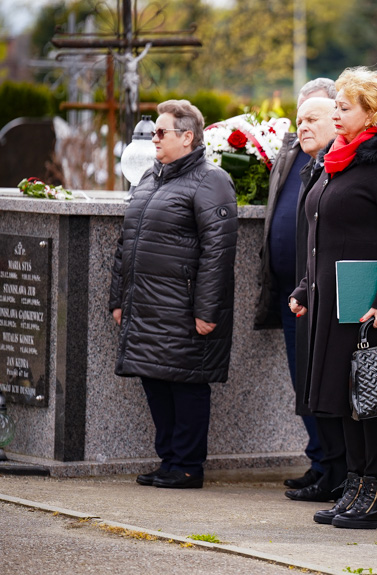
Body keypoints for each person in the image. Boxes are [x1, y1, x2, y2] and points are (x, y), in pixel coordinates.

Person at [288, 67, 377, 531]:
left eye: (345, 107)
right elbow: (320, 236)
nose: (337, 115)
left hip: (372, 310)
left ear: (372, 111)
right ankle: (356, 488)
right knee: (345, 401)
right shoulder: (336, 160)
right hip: (333, 305)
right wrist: (306, 287)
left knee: (374, 402)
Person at [109, 99, 238, 489]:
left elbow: (219, 252)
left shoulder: (211, 180)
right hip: (146, 305)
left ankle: (187, 465)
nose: (154, 139)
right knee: (156, 380)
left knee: (186, 384)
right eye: (152, 133)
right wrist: (118, 298)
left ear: (188, 136)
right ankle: (168, 460)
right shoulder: (150, 178)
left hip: (183, 308)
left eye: (160, 132)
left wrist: (207, 310)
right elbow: (126, 242)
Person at [254, 79, 348, 502]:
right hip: (290, 291)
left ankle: (335, 468)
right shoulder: (293, 155)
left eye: (312, 116)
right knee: (303, 385)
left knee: (324, 386)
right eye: (299, 116)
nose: (301, 125)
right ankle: (320, 461)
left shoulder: (339, 163)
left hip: (323, 295)